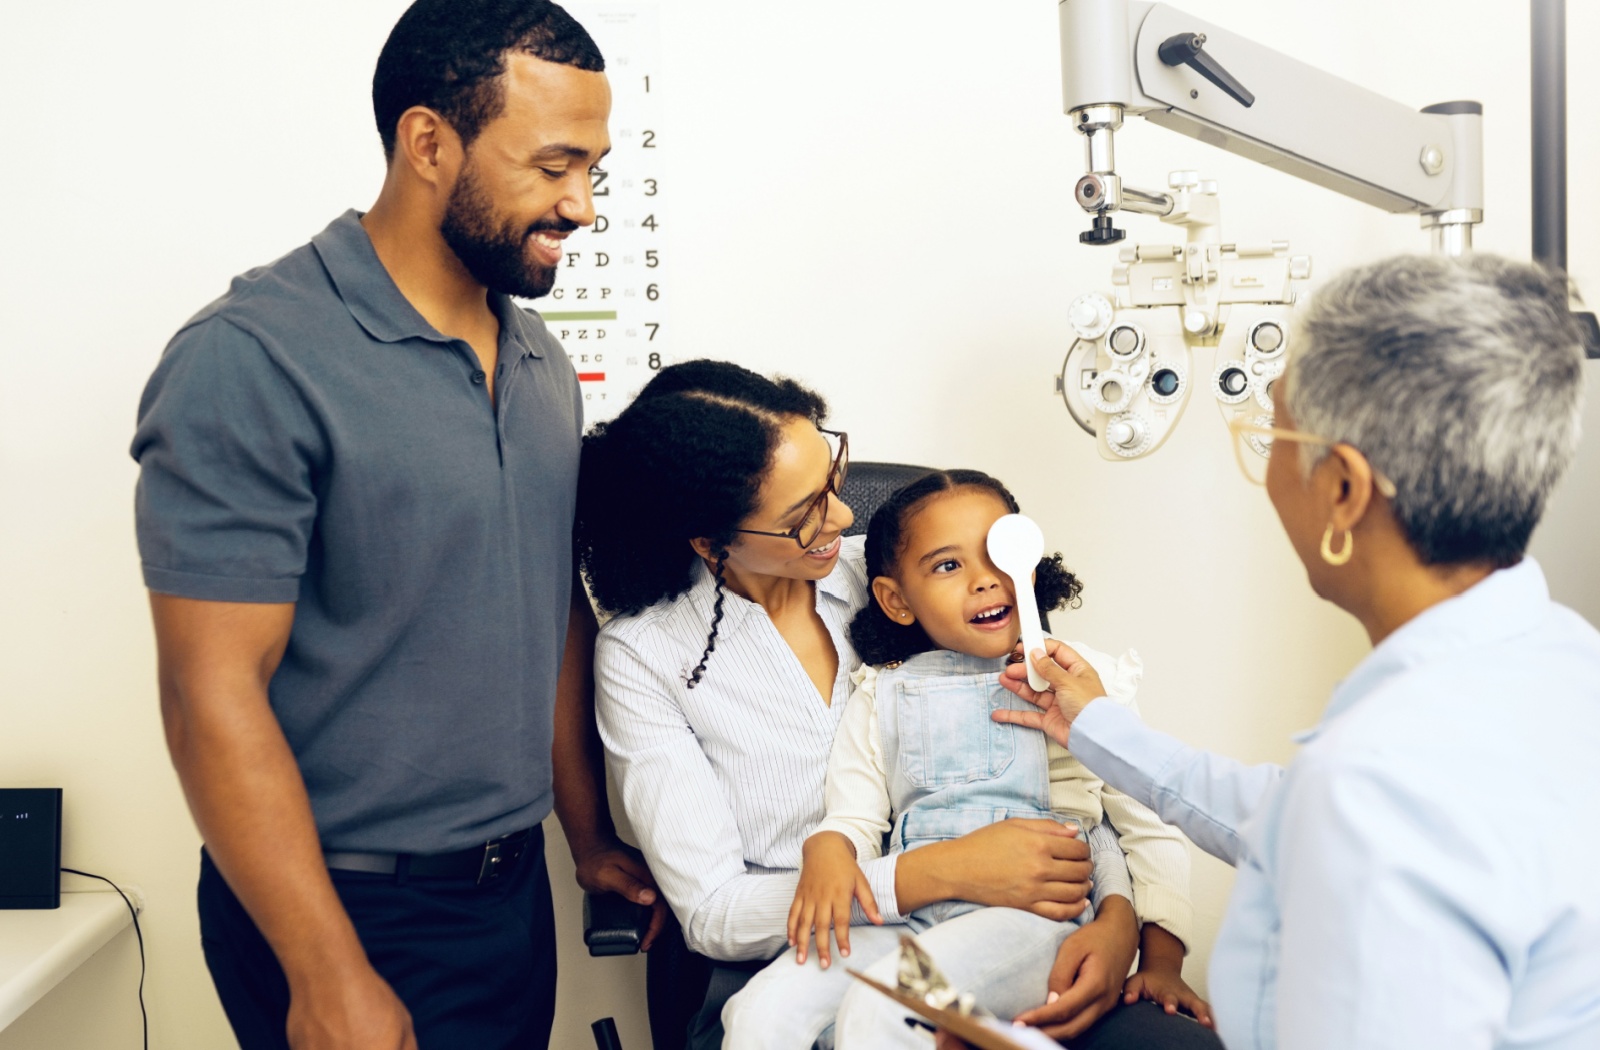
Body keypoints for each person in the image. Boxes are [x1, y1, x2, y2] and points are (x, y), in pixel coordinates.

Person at [131, 3, 664, 1048]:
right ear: (429, 143)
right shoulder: (251, 357)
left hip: (508, 906)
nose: (583, 205)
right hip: (342, 913)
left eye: (594, 168)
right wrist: (325, 972)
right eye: (554, 165)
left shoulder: (539, 362)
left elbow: (545, 609)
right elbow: (208, 695)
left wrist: (585, 834)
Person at [988, 254, 1600, 1049]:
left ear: (1343, 489)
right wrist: (1099, 725)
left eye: (1272, 428)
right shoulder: (1562, 658)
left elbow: (1354, 815)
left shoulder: (1377, 785)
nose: (1268, 463)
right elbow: (1290, 814)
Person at [580, 359, 1222, 1049]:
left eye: (832, 478)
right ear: (712, 542)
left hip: (1016, 929)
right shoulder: (644, 656)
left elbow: (1072, 776)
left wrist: (1117, 917)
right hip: (806, 954)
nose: (846, 515)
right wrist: (932, 873)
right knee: (834, 1022)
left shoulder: (913, 570)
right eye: (804, 516)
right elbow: (713, 912)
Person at [721, 468, 1215, 1049]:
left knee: (883, 1011)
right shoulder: (881, 692)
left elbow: (1145, 827)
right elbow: (854, 818)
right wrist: (829, 846)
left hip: (1036, 922)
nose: (985, 581)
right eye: (948, 566)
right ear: (896, 601)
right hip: (912, 916)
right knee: (757, 1013)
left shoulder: (1084, 681)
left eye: (999, 554)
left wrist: (1162, 963)